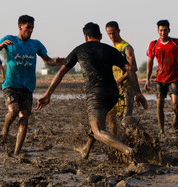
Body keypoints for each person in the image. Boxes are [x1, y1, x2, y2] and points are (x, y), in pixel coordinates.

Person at [37, 22, 147, 161]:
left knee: (98, 131)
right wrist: (138, 92)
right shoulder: (110, 49)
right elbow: (130, 69)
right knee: (97, 120)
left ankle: (128, 151)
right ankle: (86, 149)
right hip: (113, 93)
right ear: (101, 35)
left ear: (85, 37)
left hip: (96, 94)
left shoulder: (79, 50)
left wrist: (48, 94)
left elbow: (61, 73)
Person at [0, 15, 65, 155]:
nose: (31, 30)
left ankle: (16, 152)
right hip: (11, 84)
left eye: (32, 28)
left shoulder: (35, 44)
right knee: (14, 111)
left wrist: (57, 61)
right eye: (28, 27)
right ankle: (5, 129)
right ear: (20, 27)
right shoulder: (10, 39)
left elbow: (48, 61)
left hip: (27, 87)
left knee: (24, 117)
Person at [145, 20, 178, 133]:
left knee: (176, 103)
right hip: (160, 79)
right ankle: (161, 129)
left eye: (165, 30)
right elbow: (150, 62)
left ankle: (176, 119)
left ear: (169, 30)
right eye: (161, 30)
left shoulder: (176, 42)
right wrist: (147, 79)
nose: (163, 32)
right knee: (159, 105)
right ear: (158, 31)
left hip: (174, 78)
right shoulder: (153, 44)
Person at [105, 21, 137, 135]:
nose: (112, 36)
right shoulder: (110, 49)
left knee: (126, 117)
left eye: (114, 33)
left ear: (118, 31)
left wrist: (120, 79)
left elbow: (133, 68)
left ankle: (127, 140)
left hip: (127, 86)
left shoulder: (126, 48)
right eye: (109, 34)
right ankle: (115, 140)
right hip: (113, 87)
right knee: (110, 115)